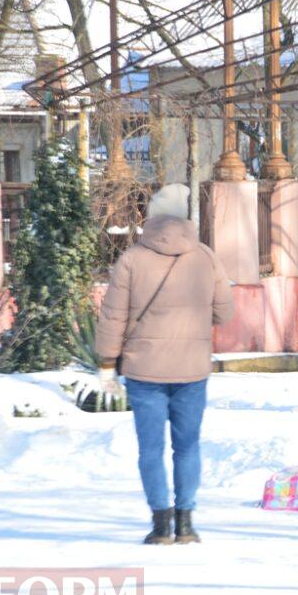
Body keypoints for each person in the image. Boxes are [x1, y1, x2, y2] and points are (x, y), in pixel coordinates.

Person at [95, 184, 234, 544]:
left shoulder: (131, 260)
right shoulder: (206, 257)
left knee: (151, 449)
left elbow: (113, 318)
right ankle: (185, 524)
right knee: (187, 446)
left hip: (144, 371)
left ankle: (160, 525)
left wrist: (107, 363)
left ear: (152, 217)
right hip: (192, 370)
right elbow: (225, 312)